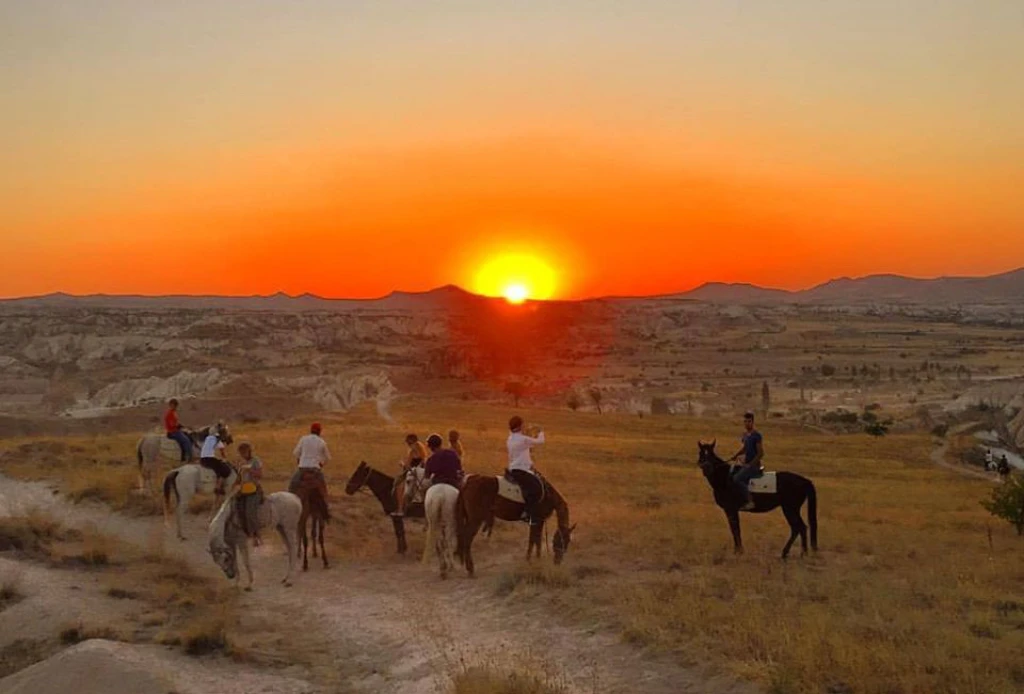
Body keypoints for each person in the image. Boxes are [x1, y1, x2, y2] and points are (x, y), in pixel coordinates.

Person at [506, 416, 545, 524]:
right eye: (522, 424)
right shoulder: (523, 439)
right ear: (519, 426)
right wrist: (541, 430)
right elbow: (540, 441)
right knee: (537, 489)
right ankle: (528, 513)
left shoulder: (510, 438)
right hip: (521, 470)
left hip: (513, 468)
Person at [289, 423, 331, 515]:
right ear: (319, 431)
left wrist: (300, 461)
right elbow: (327, 458)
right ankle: (327, 506)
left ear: (310, 430)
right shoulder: (322, 442)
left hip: (302, 469)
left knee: (292, 485)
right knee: (323, 488)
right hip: (315, 470)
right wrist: (321, 464)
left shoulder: (303, 439)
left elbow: (296, 453)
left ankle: (289, 504)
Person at [729, 411, 764, 511]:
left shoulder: (756, 435)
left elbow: (760, 453)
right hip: (746, 464)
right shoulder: (745, 435)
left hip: (753, 466)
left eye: (749, 421)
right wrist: (736, 455)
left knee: (737, 478)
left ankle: (750, 501)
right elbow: (745, 448)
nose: (747, 423)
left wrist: (750, 465)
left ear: (752, 422)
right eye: (745, 421)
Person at [236, 441, 263, 545]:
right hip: (243, 489)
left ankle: (256, 535)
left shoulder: (256, 461)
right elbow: (238, 477)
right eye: (241, 453)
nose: (243, 455)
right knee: (237, 508)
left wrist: (250, 470)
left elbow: (260, 475)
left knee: (250, 511)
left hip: (254, 489)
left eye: (244, 452)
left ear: (249, 452)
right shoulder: (241, 462)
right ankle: (244, 532)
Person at [199, 423, 232, 495]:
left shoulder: (208, 438)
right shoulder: (218, 441)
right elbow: (223, 453)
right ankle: (218, 487)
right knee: (225, 470)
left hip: (202, 459)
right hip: (209, 459)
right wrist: (225, 459)